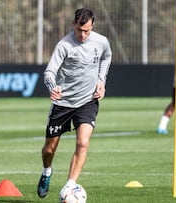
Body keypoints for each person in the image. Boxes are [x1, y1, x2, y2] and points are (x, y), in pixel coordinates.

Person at [37, 8, 112, 198]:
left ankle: (70, 186)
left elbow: (107, 57)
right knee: (49, 149)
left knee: (83, 143)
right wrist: (52, 86)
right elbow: (49, 72)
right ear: (73, 24)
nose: (83, 34)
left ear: (92, 26)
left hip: (88, 101)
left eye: (87, 30)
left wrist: (101, 80)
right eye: (80, 29)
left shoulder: (101, 41)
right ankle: (47, 172)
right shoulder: (64, 45)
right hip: (63, 103)